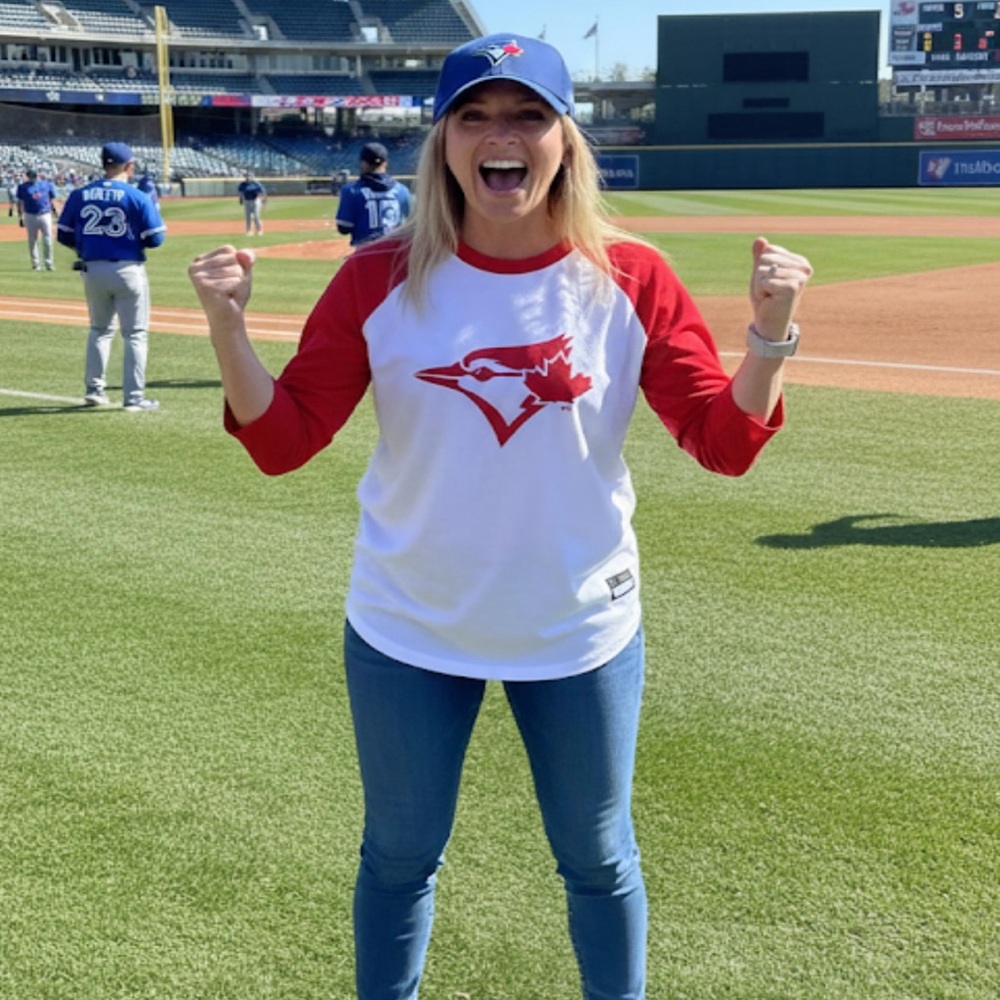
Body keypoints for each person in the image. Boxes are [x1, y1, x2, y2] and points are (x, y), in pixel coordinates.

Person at [188, 32, 812, 999]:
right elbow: (284, 441)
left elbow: (721, 442)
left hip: (578, 625)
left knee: (599, 860)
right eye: (473, 116)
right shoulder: (379, 278)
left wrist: (770, 336)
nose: (499, 135)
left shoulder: (633, 278)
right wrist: (229, 331)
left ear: (566, 137)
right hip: (409, 623)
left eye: (526, 113)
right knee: (398, 859)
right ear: (442, 142)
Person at [56, 142, 167, 412]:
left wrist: (86, 247)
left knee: (99, 330)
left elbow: (63, 234)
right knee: (135, 335)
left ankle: (94, 390)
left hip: (92, 269)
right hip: (128, 269)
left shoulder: (80, 194)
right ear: (129, 166)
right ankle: (134, 398)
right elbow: (156, 239)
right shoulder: (137, 196)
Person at [335, 141, 412, 245]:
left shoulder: (350, 190)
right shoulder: (403, 190)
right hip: (395, 253)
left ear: (363, 163)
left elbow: (344, 228)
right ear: (385, 163)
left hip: (366, 254)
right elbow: (408, 225)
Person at [16, 167, 60, 271]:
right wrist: (20, 216)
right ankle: (36, 264)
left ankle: (49, 263)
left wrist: (56, 212)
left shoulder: (46, 184)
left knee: (48, 239)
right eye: (31, 176)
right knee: (32, 240)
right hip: (30, 214)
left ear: (37, 176)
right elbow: (20, 202)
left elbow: (52, 199)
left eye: (34, 176)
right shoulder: (23, 187)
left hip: (45, 214)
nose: (33, 178)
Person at [237, 171, 267, 235]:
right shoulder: (243, 184)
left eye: (249, 176)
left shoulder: (256, 183)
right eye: (246, 176)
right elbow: (241, 192)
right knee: (248, 216)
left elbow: (262, 192)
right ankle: (248, 231)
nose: (248, 177)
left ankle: (259, 230)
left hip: (255, 200)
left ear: (252, 177)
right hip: (247, 200)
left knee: (256, 216)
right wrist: (241, 199)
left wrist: (263, 201)